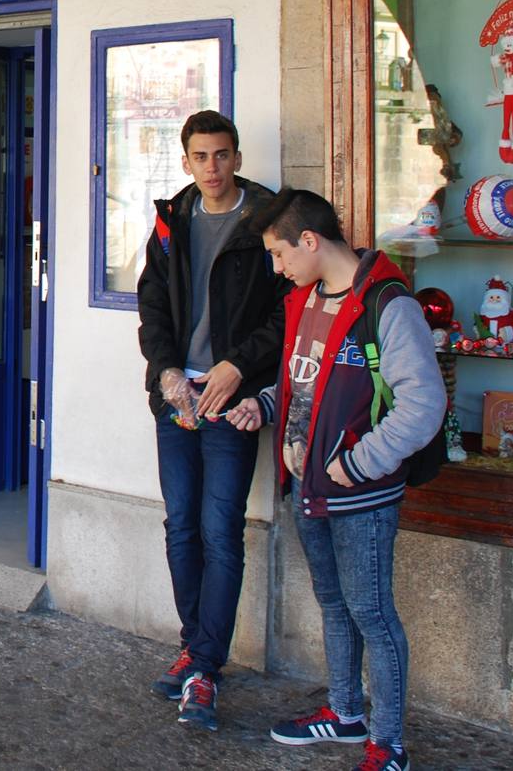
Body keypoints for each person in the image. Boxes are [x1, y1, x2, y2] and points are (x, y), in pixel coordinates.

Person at [225, 188, 446, 771]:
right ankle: (346, 713)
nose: (276, 268)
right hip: (308, 489)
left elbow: (422, 404)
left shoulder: (387, 304)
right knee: (333, 603)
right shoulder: (306, 300)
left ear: (309, 241)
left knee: (371, 612)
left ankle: (388, 740)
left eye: (278, 255)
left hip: (362, 493)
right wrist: (265, 406)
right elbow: (303, 385)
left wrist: (357, 463)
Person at [136, 110, 287, 730]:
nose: (213, 167)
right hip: (178, 399)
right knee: (180, 527)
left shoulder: (268, 220)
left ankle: (203, 665)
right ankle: (196, 650)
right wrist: (167, 371)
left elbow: (287, 314)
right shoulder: (171, 221)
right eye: (201, 157)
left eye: (222, 155)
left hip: (232, 398)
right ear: (187, 161)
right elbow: (151, 308)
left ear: (238, 157)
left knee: (220, 528)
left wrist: (235, 368)